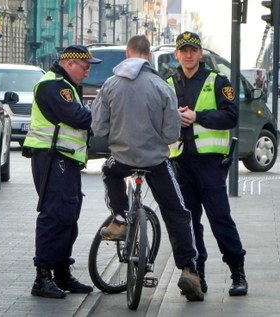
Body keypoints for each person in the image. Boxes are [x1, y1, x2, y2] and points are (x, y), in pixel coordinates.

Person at [91, 35, 204, 302]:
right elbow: (171, 133)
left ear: (127, 56)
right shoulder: (161, 86)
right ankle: (189, 270)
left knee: (109, 171)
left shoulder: (110, 85)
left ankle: (119, 219)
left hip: (122, 158)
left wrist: (118, 137)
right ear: (149, 56)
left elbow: (99, 128)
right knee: (177, 212)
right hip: (155, 161)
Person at [167, 31, 248, 296]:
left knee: (220, 218)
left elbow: (231, 116)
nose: (188, 55)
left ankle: (237, 273)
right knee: (189, 223)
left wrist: (197, 115)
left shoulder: (217, 81)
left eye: (193, 50)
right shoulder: (167, 83)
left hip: (210, 165)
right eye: (183, 51)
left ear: (201, 53)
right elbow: (158, 118)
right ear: (176, 54)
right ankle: (196, 276)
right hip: (181, 164)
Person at [22, 45, 102, 299]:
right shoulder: (54, 85)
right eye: (86, 67)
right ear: (70, 64)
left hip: (64, 158)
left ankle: (61, 273)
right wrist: (102, 113)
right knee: (55, 214)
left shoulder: (66, 85)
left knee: (69, 213)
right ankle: (42, 277)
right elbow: (77, 117)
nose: (88, 73)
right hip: (51, 156)